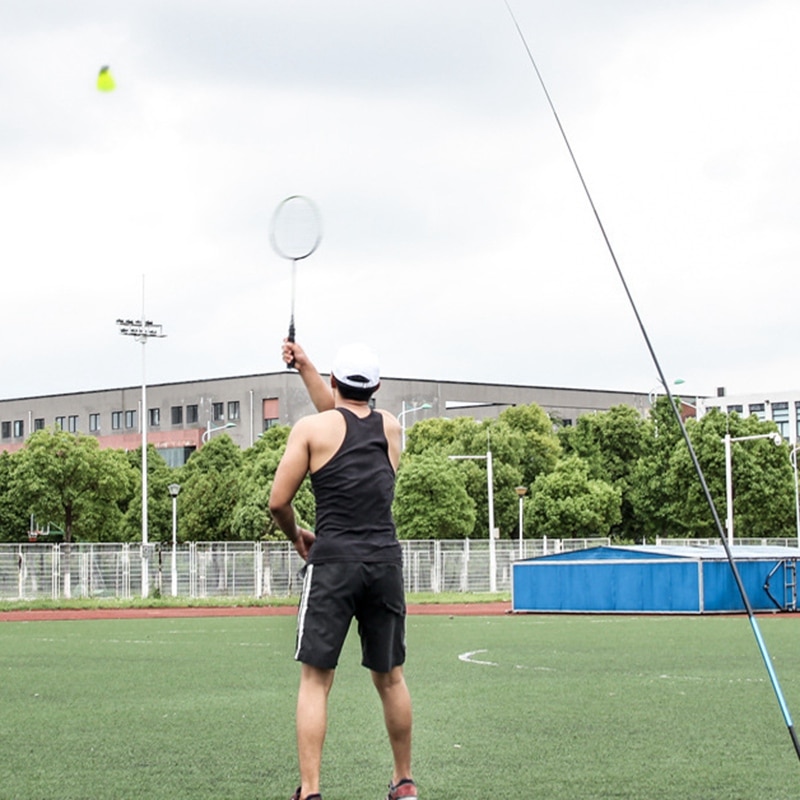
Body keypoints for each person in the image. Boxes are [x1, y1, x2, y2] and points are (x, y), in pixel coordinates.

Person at [269, 340, 417, 800]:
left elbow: (278, 502)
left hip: (332, 563)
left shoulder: (311, 430)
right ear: (376, 388)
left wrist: (297, 536)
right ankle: (404, 782)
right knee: (390, 676)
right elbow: (345, 419)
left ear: (334, 383)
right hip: (384, 563)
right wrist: (306, 366)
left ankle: (310, 791)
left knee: (316, 679)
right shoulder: (391, 428)